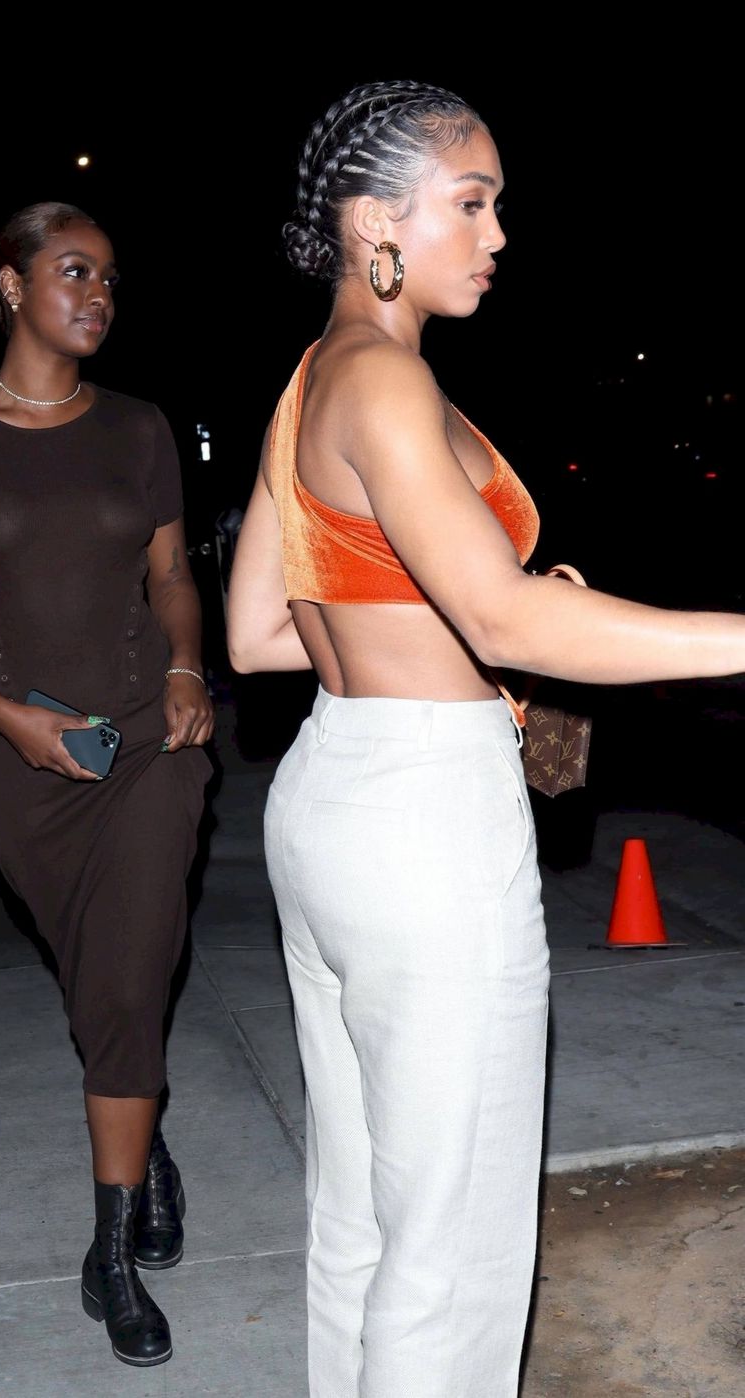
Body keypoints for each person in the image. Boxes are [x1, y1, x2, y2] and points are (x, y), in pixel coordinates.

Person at [225, 80, 745, 1397]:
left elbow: (259, 633)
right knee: (449, 1250)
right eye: (470, 202)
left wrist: (449, 626)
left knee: (364, 1219)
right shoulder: (386, 381)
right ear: (372, 221)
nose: (498, 233)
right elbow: (503, 617)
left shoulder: (310, 382)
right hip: (424, 822)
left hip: (333, 793)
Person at [0, 201, 214, 1369]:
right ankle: (146, 1148)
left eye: (111, 278)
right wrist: (7, 717)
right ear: (12, 286)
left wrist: (186, 665)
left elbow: (172, 576)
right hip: (19, 757)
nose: (99, 295)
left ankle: (110, 1256)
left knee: (129, 960)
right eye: (74, 272)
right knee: (102, 985)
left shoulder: (139, 426)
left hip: (147, 742)